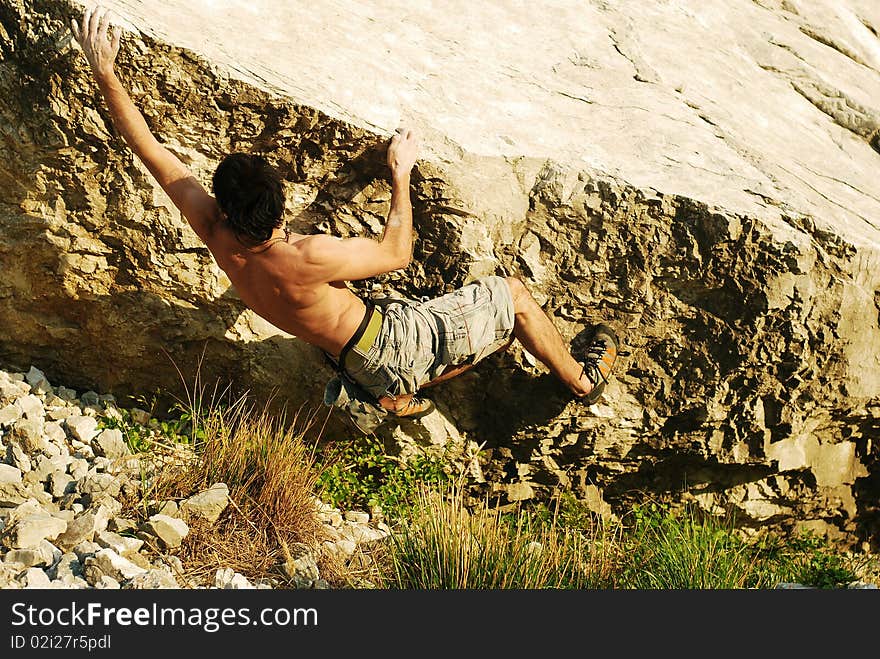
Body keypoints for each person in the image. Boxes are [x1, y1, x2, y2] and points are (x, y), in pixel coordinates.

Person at [70, 7, 619, 427]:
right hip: (389, 344)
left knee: (419, 330)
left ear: (226, 208)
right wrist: (400, 173)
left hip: (348, 359)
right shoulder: (306, 257)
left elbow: (150, 151)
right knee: (511, 295)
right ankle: (580, 381)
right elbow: (397, 254)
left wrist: (105, 71)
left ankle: (394, 394)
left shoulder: (214, 233)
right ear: (278, 207)